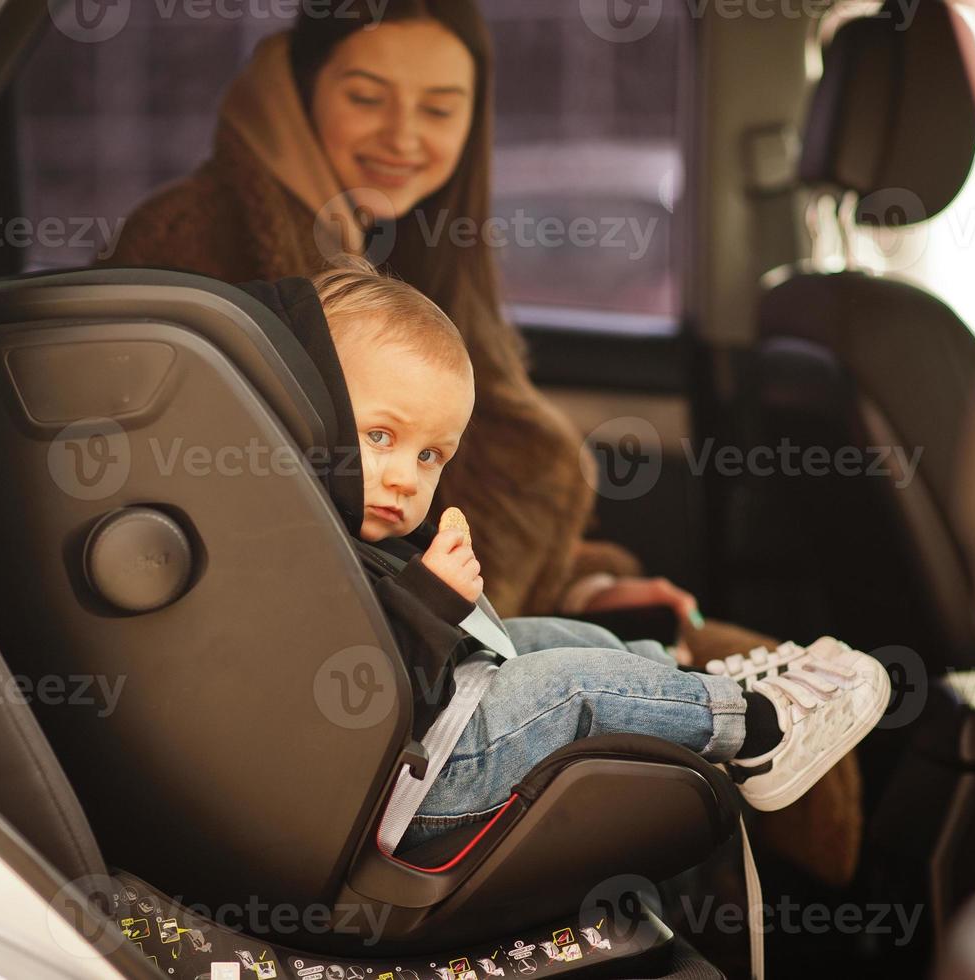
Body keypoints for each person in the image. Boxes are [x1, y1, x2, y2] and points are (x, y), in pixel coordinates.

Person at [110, 0, 866, 884]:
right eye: (367, 96)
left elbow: (457, 499)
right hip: (369, 713)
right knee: (656, 702)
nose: (403, 135)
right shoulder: (206, 248)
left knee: (647, 653)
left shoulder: (423, 250)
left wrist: (585, 577)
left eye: (438, 108)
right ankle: (766, 772)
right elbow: (255, 546)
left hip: (443, 636)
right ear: (298, 90)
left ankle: (815, 920)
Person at [301, 259, 889, 850]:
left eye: (431, 457)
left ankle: (684, 683)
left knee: (567, 640)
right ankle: (756, 731)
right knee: (569, 683)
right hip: (414, 787)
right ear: (309, 412)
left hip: (431, 740)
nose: (406, 478)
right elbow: (364, 683)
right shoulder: (291, 547)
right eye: (381, 437)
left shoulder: (349, 525)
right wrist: (428, 601)